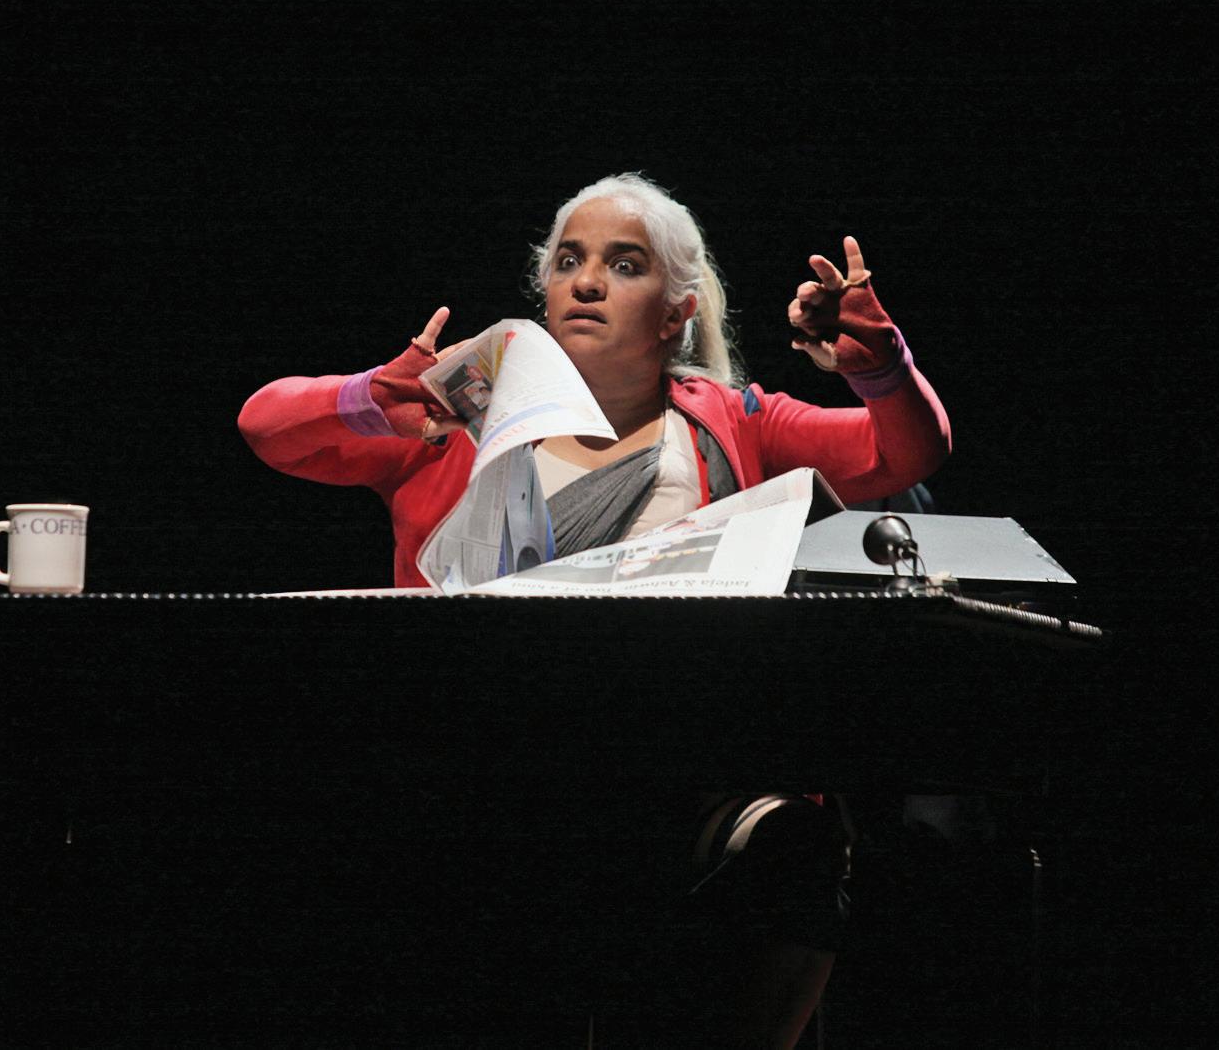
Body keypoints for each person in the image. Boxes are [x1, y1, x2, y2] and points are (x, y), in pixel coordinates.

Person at [238, 172, 951, 1046]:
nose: (586, 282)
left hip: (674, 771)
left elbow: (908, 451)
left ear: (676, 313)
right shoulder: (453, 423)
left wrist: (879, 363)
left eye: (624, 265)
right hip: (484, 771)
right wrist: (368, 397)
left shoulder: (734, 421)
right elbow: (265, 425)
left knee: (798, 848)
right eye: (569, 261)